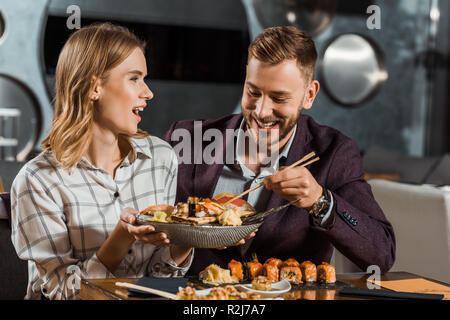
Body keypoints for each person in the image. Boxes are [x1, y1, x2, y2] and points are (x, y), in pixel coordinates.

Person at [163, 26, 395, 275]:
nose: (261, 111)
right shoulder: (188, 139)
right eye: (253, 92)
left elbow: (381, 254)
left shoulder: (334, 153)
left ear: (309, 95)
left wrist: (321, 201)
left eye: (279, 98)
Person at [10, 23, 193, 300]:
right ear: (95, 87)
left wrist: (187, 240)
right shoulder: (38, 180)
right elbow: (62, 293)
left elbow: (158, 280)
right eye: (134, 78)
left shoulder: (161, 158)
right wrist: (122, 236)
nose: (148, 93)